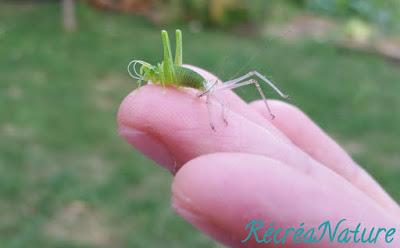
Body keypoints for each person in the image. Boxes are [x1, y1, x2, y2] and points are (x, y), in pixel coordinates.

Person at [117, 66, 400, 247]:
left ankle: (278, 98)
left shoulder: (209, 91)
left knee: (251, 78)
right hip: (190, 83)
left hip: (200, 83)